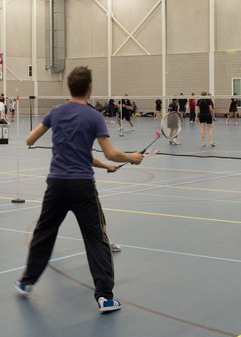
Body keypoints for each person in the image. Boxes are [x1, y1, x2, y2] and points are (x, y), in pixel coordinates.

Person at [15, 66, 146, 314]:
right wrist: (132, 157)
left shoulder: (56, 112)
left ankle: (26, 281)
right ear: (90, 88)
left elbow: (30, 140)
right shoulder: (93, 117)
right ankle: (105, 298)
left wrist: (102, 163)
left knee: (44, 233)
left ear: (69, 87)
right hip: (82, 186)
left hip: (56, 184)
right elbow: (110, 151)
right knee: (96, 239)